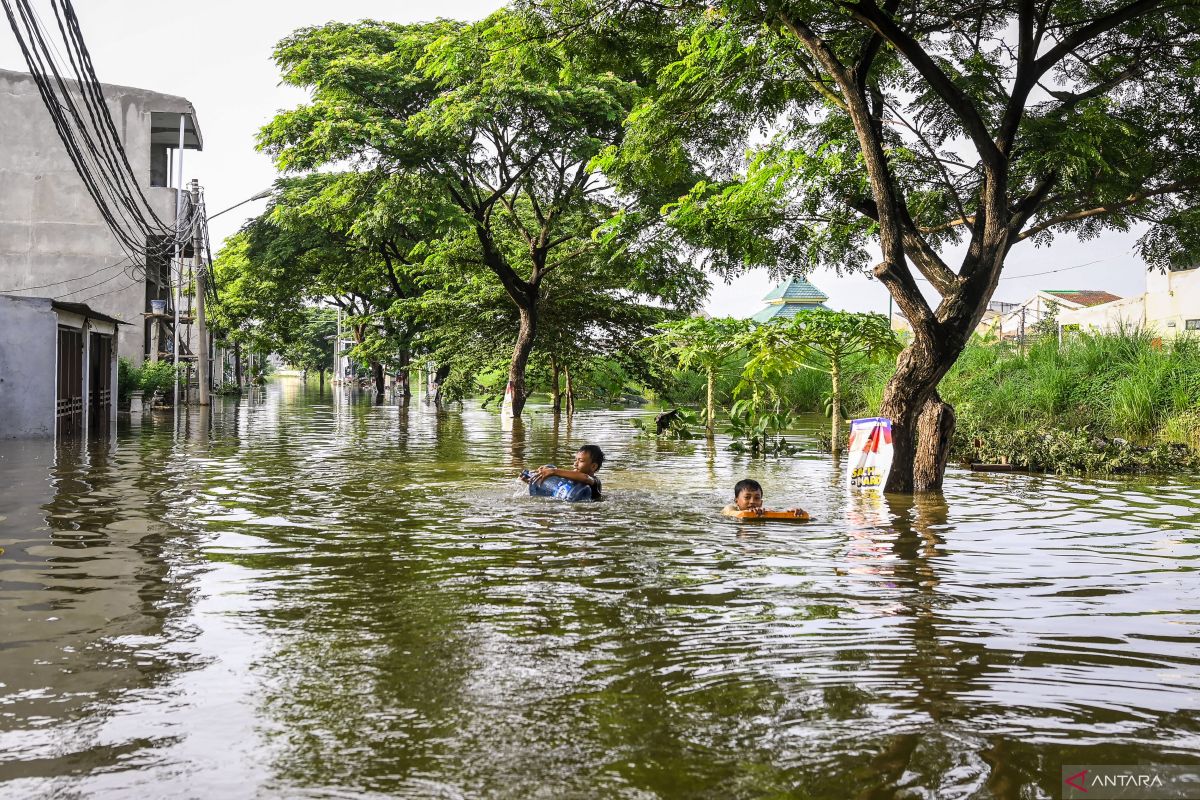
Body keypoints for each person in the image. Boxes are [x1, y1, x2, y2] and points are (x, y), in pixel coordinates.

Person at [521, 444, 604, 502]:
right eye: (575, 460)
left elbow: (585, 478)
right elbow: (554, 489)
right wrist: (534, 480)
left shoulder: (595, 482)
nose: (575, 464)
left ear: (593, 466)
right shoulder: (571, 479)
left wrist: (553, 471)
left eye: (581, 461)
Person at [721, 478, 807, 518]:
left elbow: (780, 513)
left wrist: (795, 512)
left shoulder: (765, 511)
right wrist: (746, 513)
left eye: (757, 498)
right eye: (747, 497)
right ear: (736, 501)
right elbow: (730, 513)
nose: (752, 502)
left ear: (761, 503)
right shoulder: (730, 507)